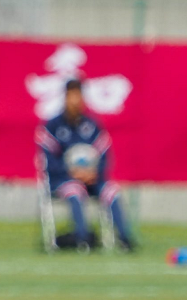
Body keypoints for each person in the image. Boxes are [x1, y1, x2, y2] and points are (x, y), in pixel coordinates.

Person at [36, 78, 135, 250]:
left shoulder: (92, 125)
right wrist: (72, 172)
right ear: (65, 98)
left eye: (78, 96)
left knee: (111, 191)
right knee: (75, 190)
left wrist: (93, 173)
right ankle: (82, 238)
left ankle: (125, 239)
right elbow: (48, 161)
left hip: (92, 179)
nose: (75, 101)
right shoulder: (53, 126)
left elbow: (104, 156)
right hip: (63, 179)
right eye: (71, 96)